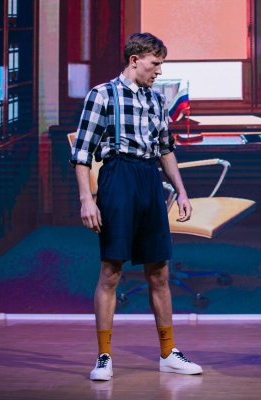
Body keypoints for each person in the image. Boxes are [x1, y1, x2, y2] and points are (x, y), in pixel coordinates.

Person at [70, 32, 202, 381]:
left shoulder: (157, 100)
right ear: (135, 60)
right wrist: (86, 199)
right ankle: (103, 356)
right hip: (118, 178)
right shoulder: (103, 95)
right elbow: (81, 153)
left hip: (149, 180)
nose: (159, 71)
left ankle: (168, 352)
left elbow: (165, 149)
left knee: (159, 272)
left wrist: (182, 191)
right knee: (111, 271)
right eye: (155, 64)